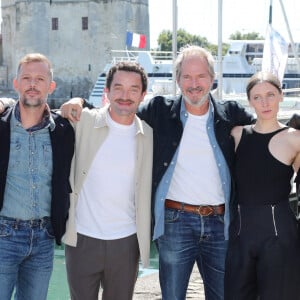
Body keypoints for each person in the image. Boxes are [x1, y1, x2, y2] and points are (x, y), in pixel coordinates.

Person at [61, 45, 255, 300]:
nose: (194, 83)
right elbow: (120, 110)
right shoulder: (160, 111)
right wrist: (79, 103)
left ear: (212, 78)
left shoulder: (231, 114)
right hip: (176, 222)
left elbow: (268, 129)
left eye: (201, 76)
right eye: (186, 76)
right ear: (177, 80)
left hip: (220, 223)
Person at [61, 61, 153, 300]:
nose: (125, 95)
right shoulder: (84, 121)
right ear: (107, 91)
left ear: (143, 95)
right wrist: (77, 100)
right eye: (118, 87)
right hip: (82, 238)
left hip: (126, 241)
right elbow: (40, 113)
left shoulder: (149, 135)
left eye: (133, 89)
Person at [0, 53, 75, 300]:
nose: (33, 85)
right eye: (27, 78)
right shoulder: (1, 125)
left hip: (44, 238)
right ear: (16, 83)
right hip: (3, 236)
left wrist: (79, 100)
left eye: (40, 79)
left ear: (51, 86)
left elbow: (103, 113)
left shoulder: (63, 130)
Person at [224, 71, 300, 300]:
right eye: (257, 97)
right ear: (249, 102)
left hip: (280, 236)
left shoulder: (294, 138)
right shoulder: (236, 135)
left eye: (270, 94)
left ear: (281, 96)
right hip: (240, 235)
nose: (264, 102)